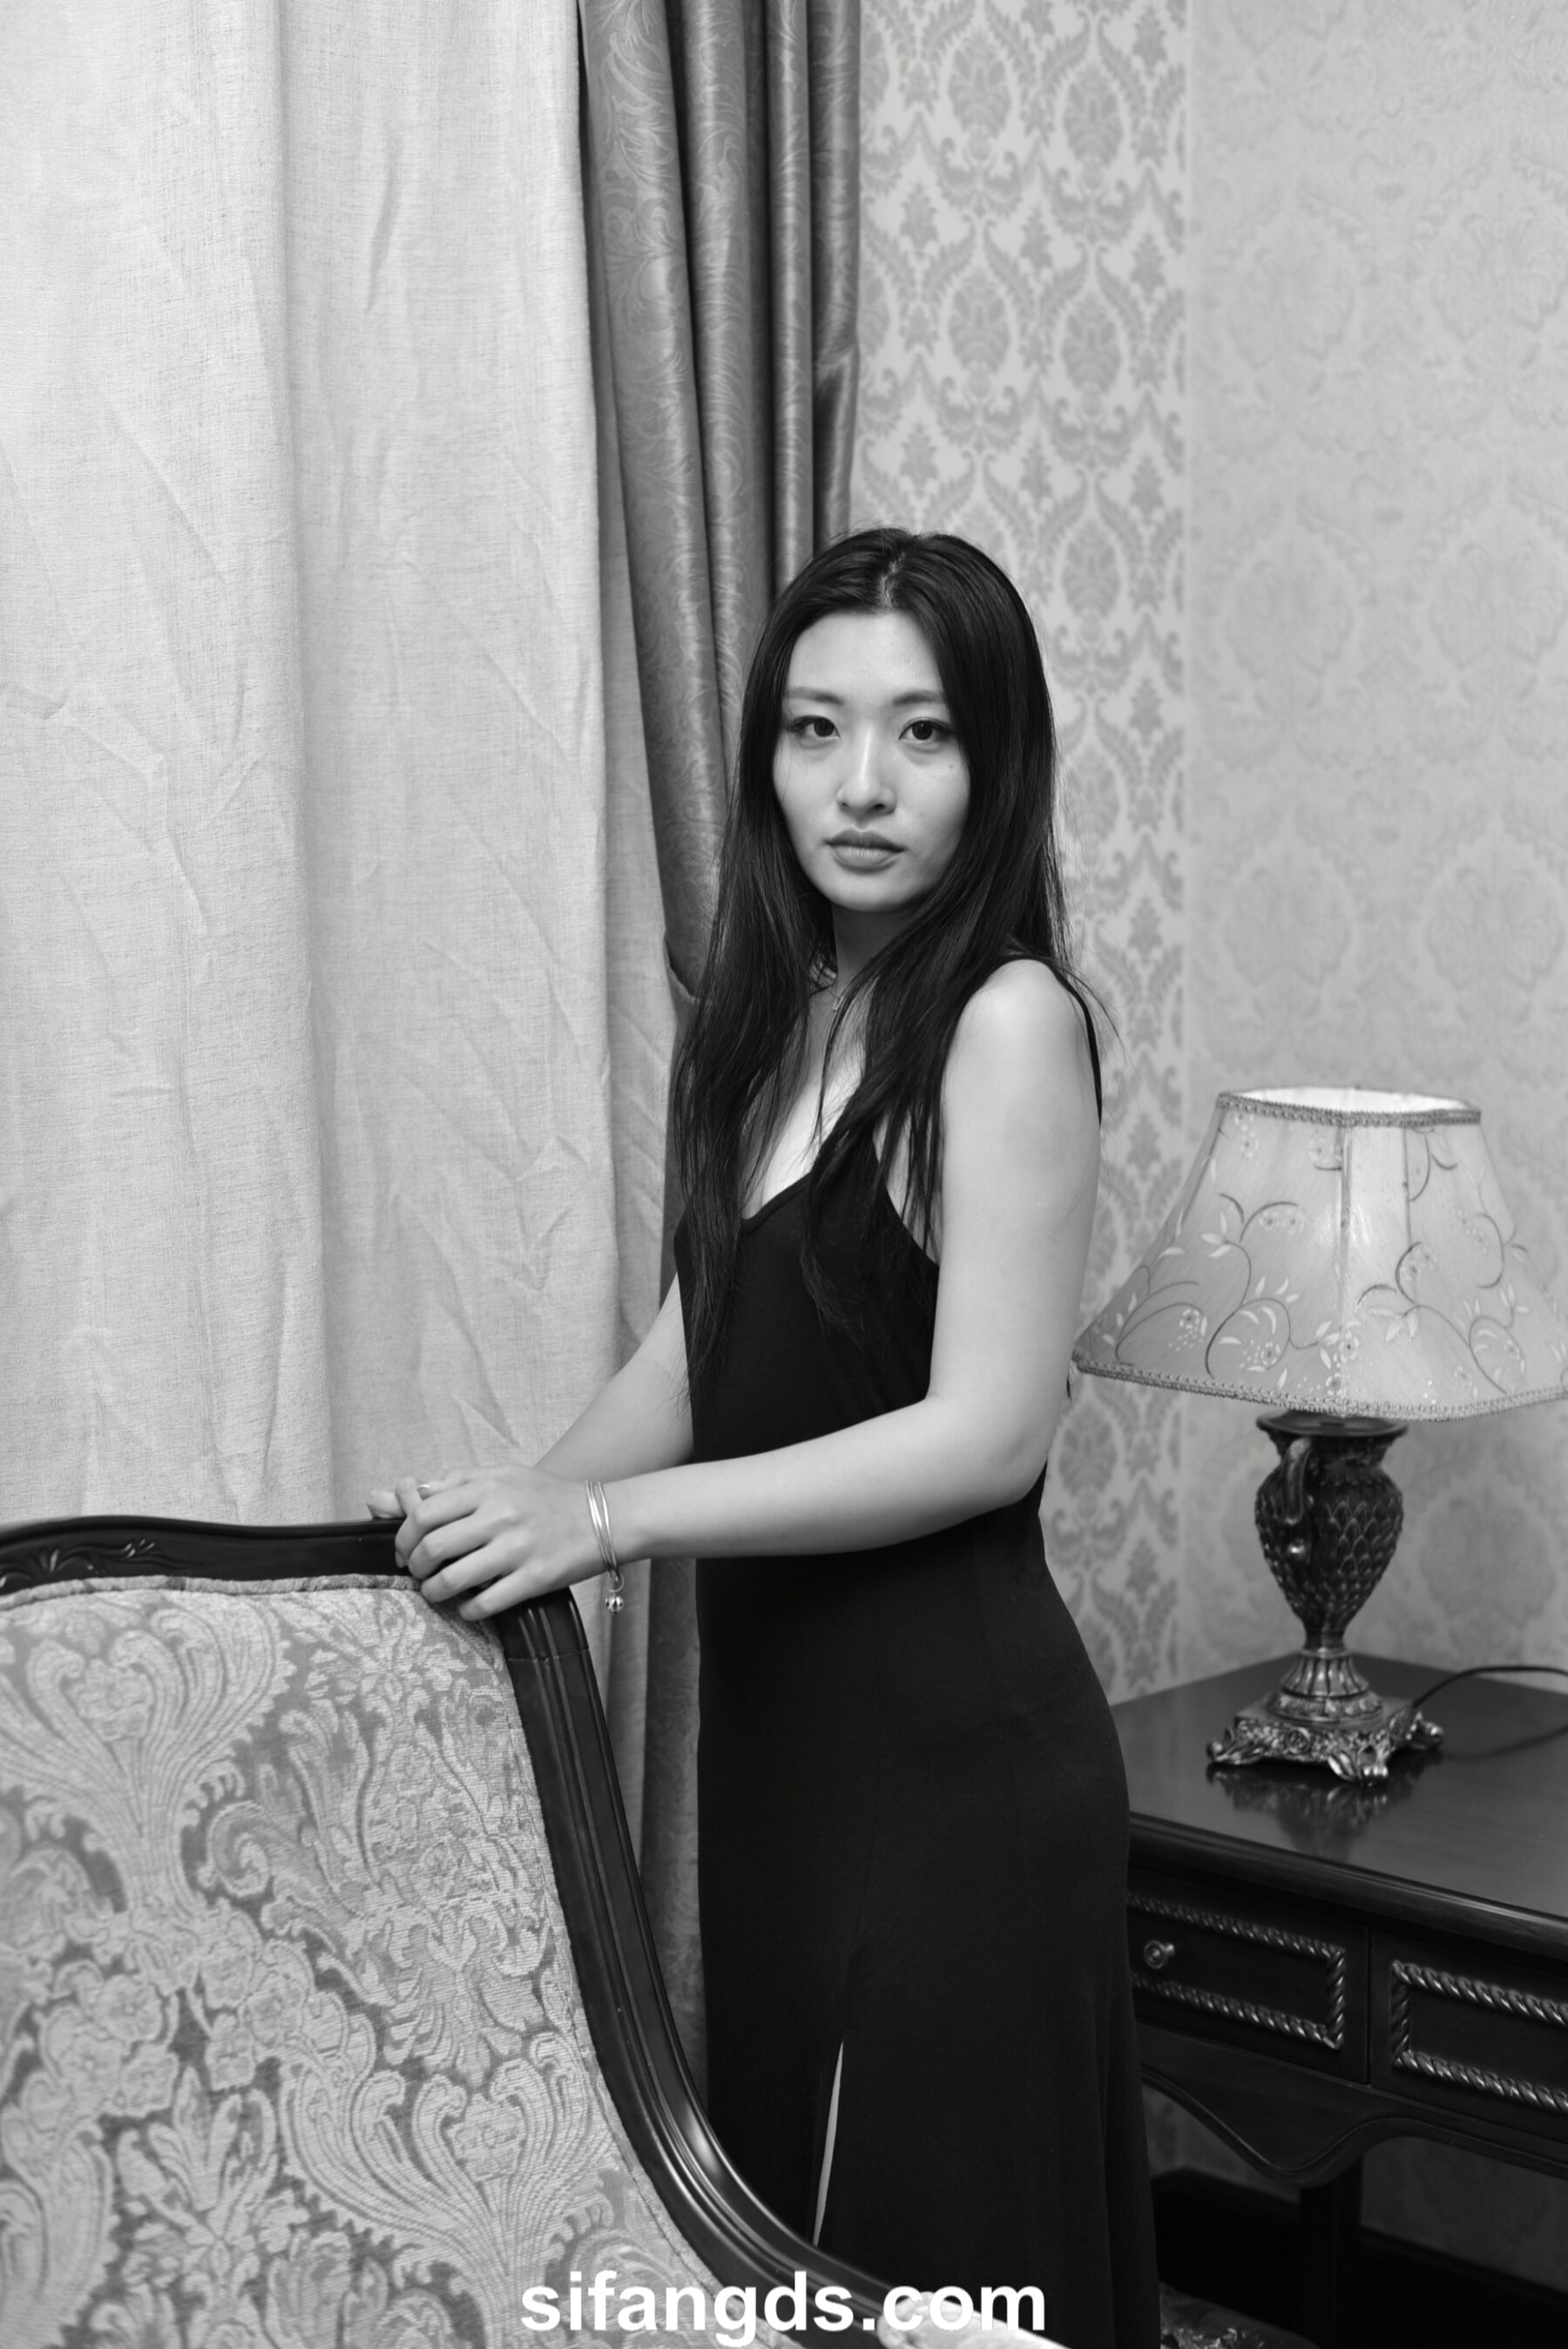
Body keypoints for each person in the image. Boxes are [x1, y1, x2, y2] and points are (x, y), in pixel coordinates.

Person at [371, 529, 1160, 2349]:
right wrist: (519, 1506)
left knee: (936, 2277)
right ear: (767, 758)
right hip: (783, 1763)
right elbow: (692, 1352)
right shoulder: (764, 1027)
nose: (861, 783)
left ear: (997, 761)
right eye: (816, 728)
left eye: (921, 732)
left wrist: (614, 1521)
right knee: (796, 2258)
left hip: (961, 1768)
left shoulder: (1010, 1021)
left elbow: (986, 1436)